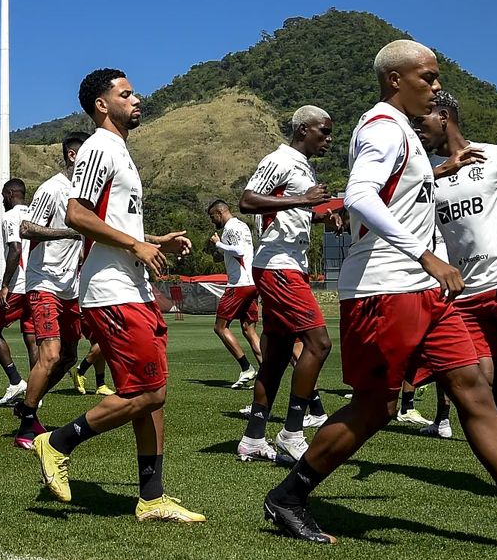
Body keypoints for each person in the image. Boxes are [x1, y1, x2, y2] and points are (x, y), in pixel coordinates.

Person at [264, 40, 497, 544]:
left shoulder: (404, 133)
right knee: (376, 407)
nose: (436, 86)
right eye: (428, 77)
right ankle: (288, 496)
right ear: (396, 80)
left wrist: (438, 174)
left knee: (475, 391)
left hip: (424, 291)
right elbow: (359, 195)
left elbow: (396, 195)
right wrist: (425, 255)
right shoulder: (382, 127)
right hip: (386, 288)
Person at [33, 69, 205, 523]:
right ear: (102, 105)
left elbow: (114, 224)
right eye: (126, 93)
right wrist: (135, 246)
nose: (136, 98)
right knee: (147, 392)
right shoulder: (99, 147)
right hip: (110, 290)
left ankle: (152, 497)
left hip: (134, 286)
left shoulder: (120, 151)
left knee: (153, 393)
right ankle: (57, 441)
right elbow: (76, 215)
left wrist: (154, 241)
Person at [234, 106, 336, 463]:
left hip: (292, 264)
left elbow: (288, 213)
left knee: (277, 356)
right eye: (324, 131)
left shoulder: (304, 166)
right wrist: (305, 199)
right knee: (319, 344)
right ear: (303, 129)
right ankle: (292, 432)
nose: (328, 139)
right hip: (278, 266)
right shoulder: (278, 159)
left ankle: (253, 438)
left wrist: (321, 217)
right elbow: (247, 201)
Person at [412, 90, 497, 435]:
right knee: (478, 384)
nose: (417, 130)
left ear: (443, 117)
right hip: (463, 295)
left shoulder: (495, 157)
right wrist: (437, 173)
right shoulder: (428, 176)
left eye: (421, 121)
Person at [12, 133, 88, 448]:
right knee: (51, 353)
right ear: (72, 156)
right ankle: (26, 427)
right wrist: (68, 232)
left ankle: (27, 405)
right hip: (43, 282)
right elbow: (26, 228)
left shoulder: (85, 193)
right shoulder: (52, 188)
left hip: (70, 286)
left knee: (69, 356)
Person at [0, 178, 35, 408]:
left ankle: (15, 381)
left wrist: (5, 284)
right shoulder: (36, 214)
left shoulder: (10, 216)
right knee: (31, 338)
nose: (3, 201)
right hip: (36, 284)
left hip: (17, 284)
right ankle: (36, 392)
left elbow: (15, 249)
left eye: (3, 196)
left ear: (9, 194)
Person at [206, 200, 262, 388]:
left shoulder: (230, 228)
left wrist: (218, 244)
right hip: (252, 283)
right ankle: (266, 374)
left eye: (212, 216)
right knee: (249, 329)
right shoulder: (242, 225)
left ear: (219, 212)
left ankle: (246, 367)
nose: (213, 221)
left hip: (239, 285)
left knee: (220, 327)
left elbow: (238, 251)